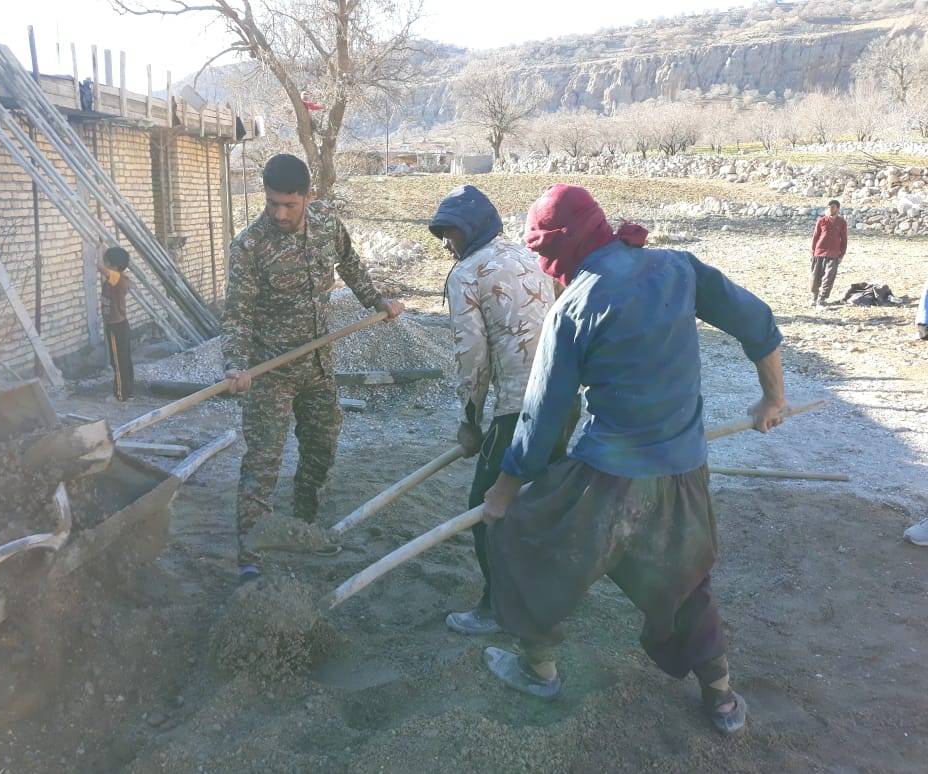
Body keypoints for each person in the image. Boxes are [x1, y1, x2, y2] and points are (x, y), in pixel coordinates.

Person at [478, 184, 786, 735]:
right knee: (686, 579)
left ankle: (539, 669)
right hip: (684, 469)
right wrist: (773, 399)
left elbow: (543, 413)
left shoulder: (574, 306)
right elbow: (757, 322)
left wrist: (503, 493)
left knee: (530, 546)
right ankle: (719, 696)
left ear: (561, 250)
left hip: (608, 477)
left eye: (545, 254)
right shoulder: (678, 267)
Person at [221, 153, 403, 581]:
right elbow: (237, 314)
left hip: (319, 366)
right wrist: (236, 365)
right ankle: (251, 555)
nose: (279, 214)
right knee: (263, 462)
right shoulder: (250, 246)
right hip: (271, 373)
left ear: (308, 196)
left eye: (289, 205)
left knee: (322, 448)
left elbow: (350, 261)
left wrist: (376, 301)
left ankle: (303, 523)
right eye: (271, 204)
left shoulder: (326, 223)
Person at [428, 184, 563, 635]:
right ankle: (549, 593)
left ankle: (497, 606)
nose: (448, 243)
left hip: (519, 411)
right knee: (544, 501)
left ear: (473, 230)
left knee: (486, 506)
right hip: (565, 402)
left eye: (452, 233)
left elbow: (473, 358)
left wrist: (471, 423)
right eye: (443, 234)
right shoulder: (530, 256)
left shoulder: (466, 274)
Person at [97, 246, 134, 401]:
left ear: (114, 266)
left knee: (117, 363)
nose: (105, 264)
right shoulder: (118, 277)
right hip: (120, 325)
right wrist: (105, 251)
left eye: (107, 262)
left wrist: (99, 252)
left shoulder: (117, 277)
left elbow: (99, 267)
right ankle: (128, 392)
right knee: (124, 361)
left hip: (115, 327)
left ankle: (120, 395)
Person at [809, 199, 847, 310]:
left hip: (834, 254)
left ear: (838, 209)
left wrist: (841, 255)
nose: (830, 209)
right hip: (819, 253)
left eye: (833, 207)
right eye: (829, 207)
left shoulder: (842, 223)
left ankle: (822, 299)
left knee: (829, 277)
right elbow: (815, 237)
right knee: (815, 276)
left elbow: (844, 240)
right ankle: (814, 296)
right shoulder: (821, 221)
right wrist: (812, 252)